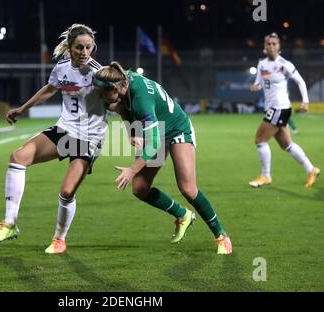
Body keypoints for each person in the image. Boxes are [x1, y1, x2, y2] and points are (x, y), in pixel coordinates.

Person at [0, 24, 107, 254]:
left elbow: (118, 98)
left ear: (93, 48)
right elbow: (49, 89)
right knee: (18, 157)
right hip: (65, 130)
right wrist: (22, 109)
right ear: (69, 48)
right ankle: (10, 224)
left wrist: (134, 131)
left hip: (89, 138)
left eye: (88, 47)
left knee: (67, 191)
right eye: (79, 47)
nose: (84, 52)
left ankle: (59, 239)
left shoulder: (98, 73)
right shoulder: (62, 68)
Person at [92, 61, 232, 255]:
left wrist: (132, 169)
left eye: (101, 93)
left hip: (176, 129)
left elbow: (154, 144)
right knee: (140, 189)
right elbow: (120, 106)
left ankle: (222, 236)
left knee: (188, 189)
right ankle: (182, 215)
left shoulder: (141, 99)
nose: (99, 97)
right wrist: (131, 130)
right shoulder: (123, 78)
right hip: (156, 130)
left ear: (115, 88)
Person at [249, 33, 320, 188]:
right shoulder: (262, 64)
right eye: (269, 44)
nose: (272, 46)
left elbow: (300, 81)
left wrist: (305, 102)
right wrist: (256, 86)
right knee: (287, 145)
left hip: (279, 108)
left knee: (260, 140)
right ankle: (311, 169)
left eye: (274, 44)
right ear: (264, 47)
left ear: (279, 47)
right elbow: (259, 83)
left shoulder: (284, 64)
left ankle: (265, 176)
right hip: (272, 108)